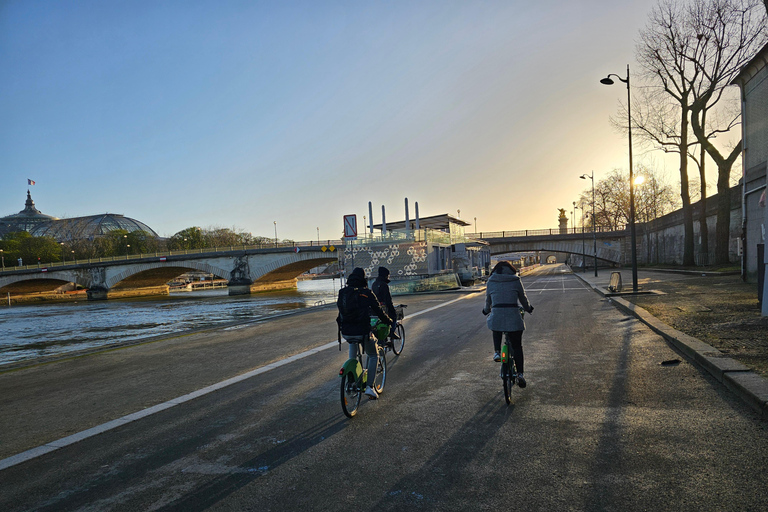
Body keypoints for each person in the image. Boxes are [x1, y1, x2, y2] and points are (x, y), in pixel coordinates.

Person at [337, 267, 393, 399]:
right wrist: (389, 321)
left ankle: (352, 380)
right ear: (363, 279)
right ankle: (370, 387)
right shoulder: (367, 293)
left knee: (353, 352)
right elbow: (378, 311)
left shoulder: (342, 292)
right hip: (362, 332)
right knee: (373, 355)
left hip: (345, 332)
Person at [482, 261, 534, 388]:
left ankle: (497, 352)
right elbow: (523, 298)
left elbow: (488, 300)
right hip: (513, 316)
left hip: (497, 314)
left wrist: (486, 310)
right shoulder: (515, 280)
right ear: (511, 270)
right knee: (517, 346)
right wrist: (528, 308)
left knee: (495, 324)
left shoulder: (491, 281)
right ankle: (520, 374)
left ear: (495, 270)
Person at [371, 266, 400, 342]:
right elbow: (388, 300)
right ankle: (391, 332)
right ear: (386, 275)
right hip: (384, 307)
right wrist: (392, 309)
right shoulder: (384, 285)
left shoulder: (374, 284)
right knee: (393, 317)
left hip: (375, 308)